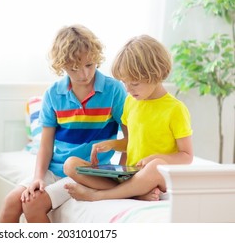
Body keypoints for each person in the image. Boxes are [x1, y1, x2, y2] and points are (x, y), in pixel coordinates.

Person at [0, 24, 127, 223]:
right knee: (10, 203)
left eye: (89, 65)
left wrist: (122, 179)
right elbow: (46, 145)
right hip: (53, 169)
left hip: (87, 172)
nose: (84, 74)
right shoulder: (53, 94)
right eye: (75, 68)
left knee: (33, 205)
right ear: (62, 66)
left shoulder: (114, 90)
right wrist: (38, 177)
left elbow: (130, 138)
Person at [63, 34, 194, 201]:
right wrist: (111, 144)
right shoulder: (131, 102)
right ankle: (136, 193)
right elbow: (132, 143)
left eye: (134, 83)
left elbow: (187, 156)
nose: (128, 89)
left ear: (156, 74)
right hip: (132, 173)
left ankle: (101, 195)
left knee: (155, 167)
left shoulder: (175, 109)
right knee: (71, 164)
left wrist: (158, 158)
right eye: (124, 82)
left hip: (157, 177)